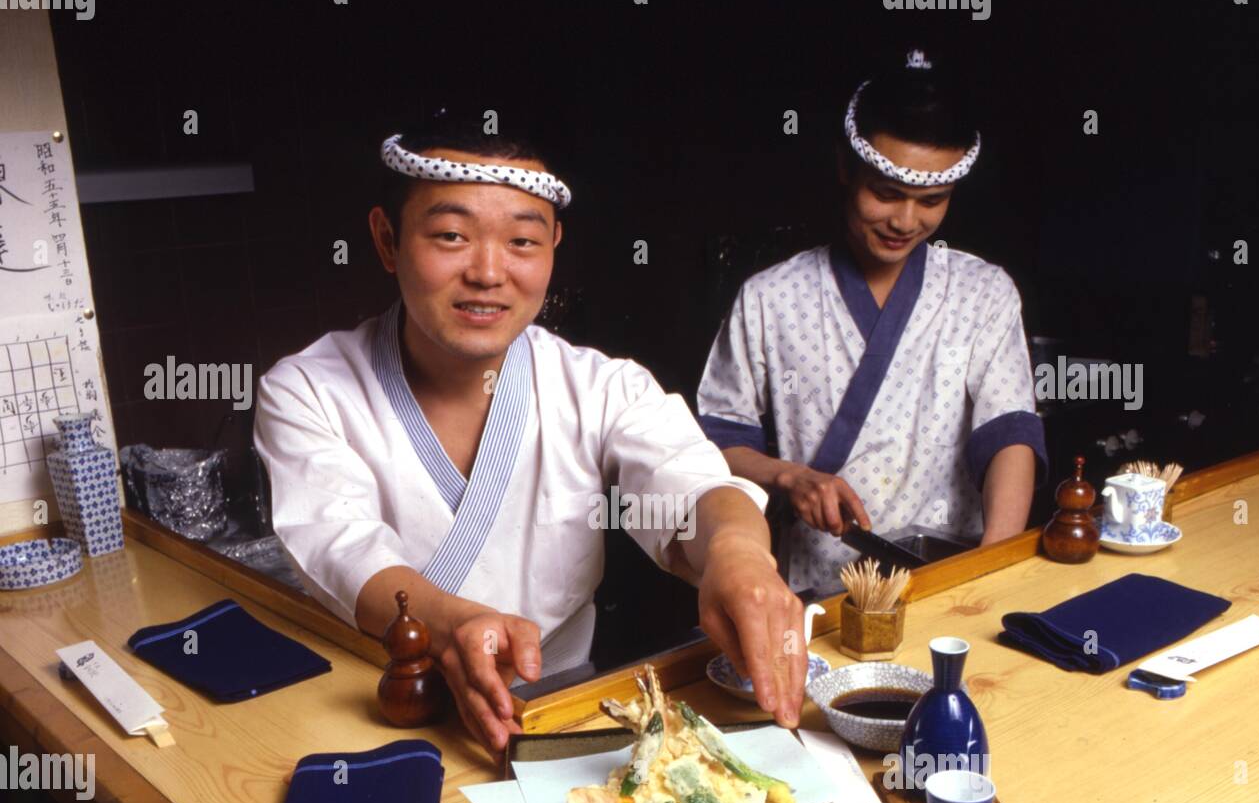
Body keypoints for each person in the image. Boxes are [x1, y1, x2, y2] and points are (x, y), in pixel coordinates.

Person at [253, 113, 807, 754]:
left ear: (553, 248)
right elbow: (340, 543)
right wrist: (451, 624)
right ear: (386, 239)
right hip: (371, 721)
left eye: (522, 242)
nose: (489, 272)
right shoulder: (307, 389)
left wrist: (738, 554)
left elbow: (693, 483)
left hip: (557, 721)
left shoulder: (600, 387)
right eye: (452, 235)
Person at [697, 49, 1048, 595]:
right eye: (885, 194)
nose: (906, 221)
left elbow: (1009, 433)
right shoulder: (769, 297)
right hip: (819, 590)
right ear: (845, 168)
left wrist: (994, 566)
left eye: (932, 201)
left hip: (949, 580)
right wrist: (790, 476)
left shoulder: (984, 292)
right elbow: (715, 443)